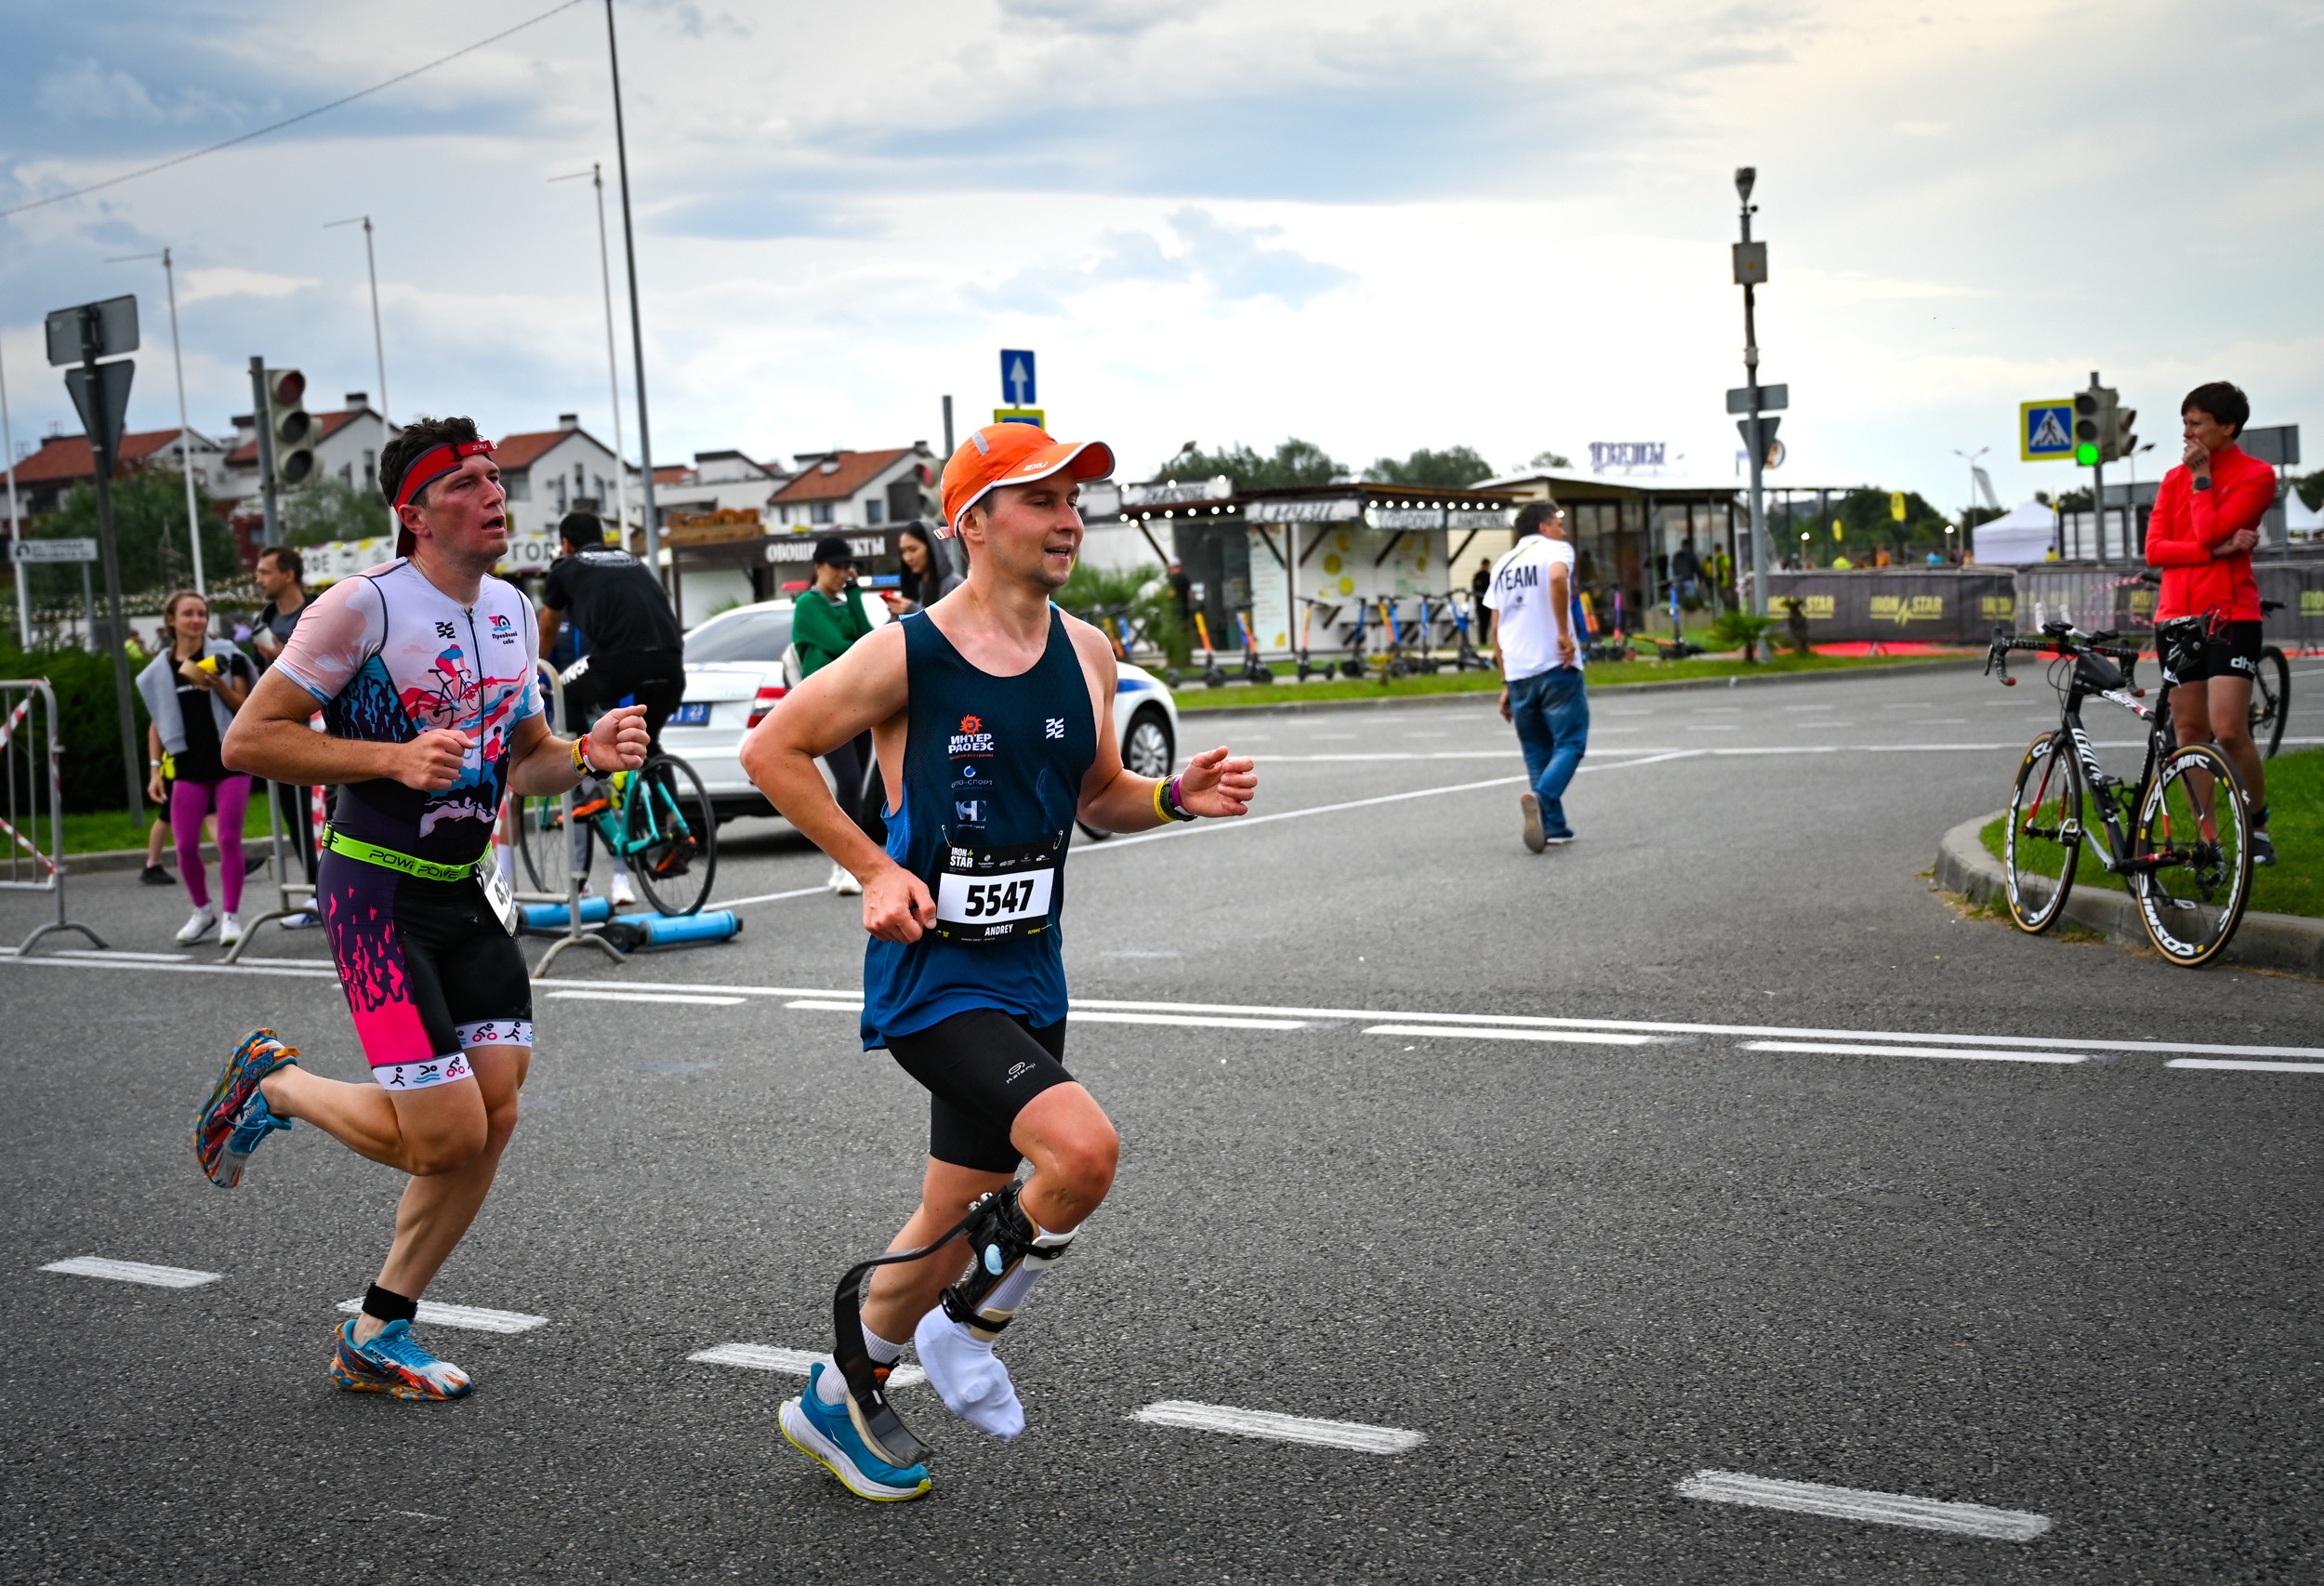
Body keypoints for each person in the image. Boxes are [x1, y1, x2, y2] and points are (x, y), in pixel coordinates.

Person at [739, 422, 1256, 1503]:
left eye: (1074, 498)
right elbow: (771, 750)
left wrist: (1171, 798)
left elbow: (1096, 795)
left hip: (1031, 972)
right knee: (1082, 1153)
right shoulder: (906, 652)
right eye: (1042, 497)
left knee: (949, 1220)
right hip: (934, 977)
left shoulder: (1090, 650)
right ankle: (964, 1327)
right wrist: (874, 866)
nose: (1069, 516)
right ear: (974, 520)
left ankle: (840, 1395)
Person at [204, 416, 650, 1402]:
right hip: (375, 891)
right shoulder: (358, 608)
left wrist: (586, 753)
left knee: (492, 1117)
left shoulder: (509, 610)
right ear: (414, 512)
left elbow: (523, 758)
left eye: (497, 479)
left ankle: (377, 1328)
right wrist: (390, 757)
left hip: (463, 891)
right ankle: (273, 1085)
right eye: (470, 483)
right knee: (442, 1133)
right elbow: (249, 740)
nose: (495, 495)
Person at [2146, 380, 2276, 866]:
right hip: (2176, 617)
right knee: (2190, 731)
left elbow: (2211, 528)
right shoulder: (2169, 478)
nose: (2188, 433)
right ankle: (2209, 841)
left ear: (2228, 427)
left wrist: (2202, 481)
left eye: (2197, 423)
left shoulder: (2256, 475)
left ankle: (2257, 821)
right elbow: (2155, 550)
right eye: (2184, 423)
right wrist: (2212, 552)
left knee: (2228, 729)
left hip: (2230, 614)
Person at [136, 590, 255, 945]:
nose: (197, 620)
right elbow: (157, 722)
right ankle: (204, 911)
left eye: (202, 613)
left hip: (230, 760)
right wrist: (155, 769)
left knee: (229, 840)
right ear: (171, 620)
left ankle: (231, 917)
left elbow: (245, 706)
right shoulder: (160, 670)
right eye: (188, 613)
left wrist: (216, 685)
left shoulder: (225, 656)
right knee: (185, 846)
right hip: (187, 764)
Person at [1486, 500, 1588, 851]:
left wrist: (1505, 681)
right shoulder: (1555, 550)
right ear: (1543, 528)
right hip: (1555, 664)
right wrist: (1563, 632)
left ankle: (1554, 828)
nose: (1563, 529)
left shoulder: (1501, 564)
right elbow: (1558, 578)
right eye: (1557, 523)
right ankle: (1542, 798)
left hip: (1518, 673)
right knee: (1571, 742)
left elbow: (1496, 627)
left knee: (1536, 752)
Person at [794, 534, 881, 895]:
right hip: (825, 705)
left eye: (848, 566)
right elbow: (848, 648)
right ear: (817, 567)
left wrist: (857, 595)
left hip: (856, 704)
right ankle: (851, 865)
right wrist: (863, 647)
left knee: (856, 784)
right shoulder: (808, 605)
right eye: (836, 566)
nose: (843, 572)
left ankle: (842, 864)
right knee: (846, 781)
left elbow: (870, 640)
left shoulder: (845, 604)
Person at [250, 545, 323, 920]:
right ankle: (315, 892)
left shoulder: (320, 612)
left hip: (321, 731)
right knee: (293, 814)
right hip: (280, 730)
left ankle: (329, 892)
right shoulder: (261, 619)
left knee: (323, 814)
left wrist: (282, 658)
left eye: (265, 572)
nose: (258, 579)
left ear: (288, 574)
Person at [884, 520, 963, 617]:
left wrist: (912, 610)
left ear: (932, 548)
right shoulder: (917, 584)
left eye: (913, 549)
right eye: (903, 551)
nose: (907, 558)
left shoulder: (955, 585)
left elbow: (952, 626)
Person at [1470, 556, 1494, 646]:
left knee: (1485, 624)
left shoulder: (1485, 576)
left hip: (1482, 605)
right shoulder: (1482, 576)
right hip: (1484, 605)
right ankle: (1483, 641)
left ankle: (1484, 641)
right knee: (1484, 624)